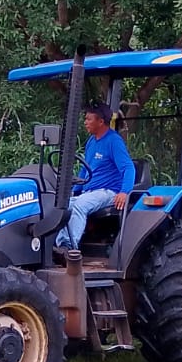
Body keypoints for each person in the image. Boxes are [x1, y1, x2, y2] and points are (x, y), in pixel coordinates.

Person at [54, 103, 135, 253]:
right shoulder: (92, 141)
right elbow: (86, 168)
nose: (85, 122)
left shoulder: (113, 141)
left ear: (100, 122)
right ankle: (49, 246)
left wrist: (124, 192)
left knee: (81, 205)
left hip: (108, 191)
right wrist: (74, 191)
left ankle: (67, 247)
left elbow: (128, 168)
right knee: (59, 204)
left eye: (88, 119)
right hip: (89, 191)